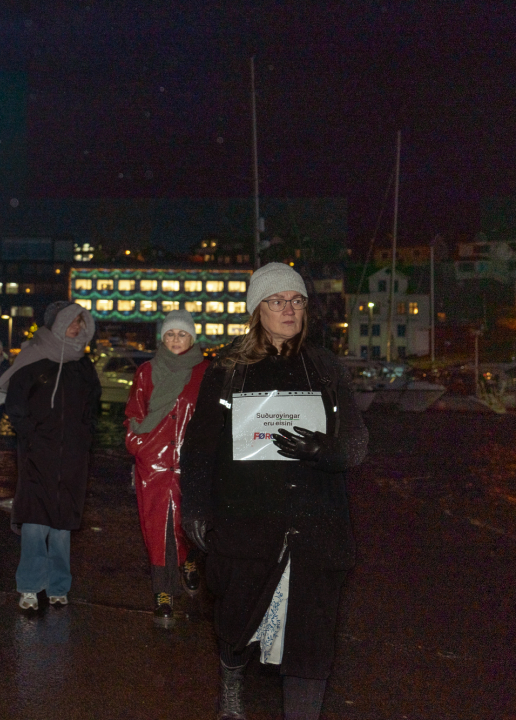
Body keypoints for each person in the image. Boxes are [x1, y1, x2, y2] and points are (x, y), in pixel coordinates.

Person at [180, 263, 367, 720]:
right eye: (277, 301)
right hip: (246, 524)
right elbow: (200, 447)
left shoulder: (326, 368)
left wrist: (326, 449)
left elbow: (357, 442)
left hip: (315, 527)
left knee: (311, 643)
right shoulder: (228, 371)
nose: (289, 309)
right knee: (237, 621)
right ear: (256, 310)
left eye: (297, 300)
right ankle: (231, 681)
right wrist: (196, 507)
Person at [0, 301, 100, 610]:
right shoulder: (34, 357)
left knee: (62, 526)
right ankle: (30, 586)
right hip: (37, 454)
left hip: (72, 457)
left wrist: (83, 437)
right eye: (72, 321)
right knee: (34, 522)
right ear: (57, 323)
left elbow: (92, 405)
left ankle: (58, 586)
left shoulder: (82, 365)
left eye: (81, 322)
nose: (77, 327)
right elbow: (16, 403)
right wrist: (32, 434)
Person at [124, 310, 208, 627]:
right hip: (153, 464)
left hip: (190, 464)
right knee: (157, 529)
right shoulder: (147, 371)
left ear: (192, 338)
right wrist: (139, 447)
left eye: (182, 334)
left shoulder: (205, 372)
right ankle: (163, 592)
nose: (175, 339)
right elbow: (134, 413)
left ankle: (187, 561)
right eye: (170, 334)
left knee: (186, 524)